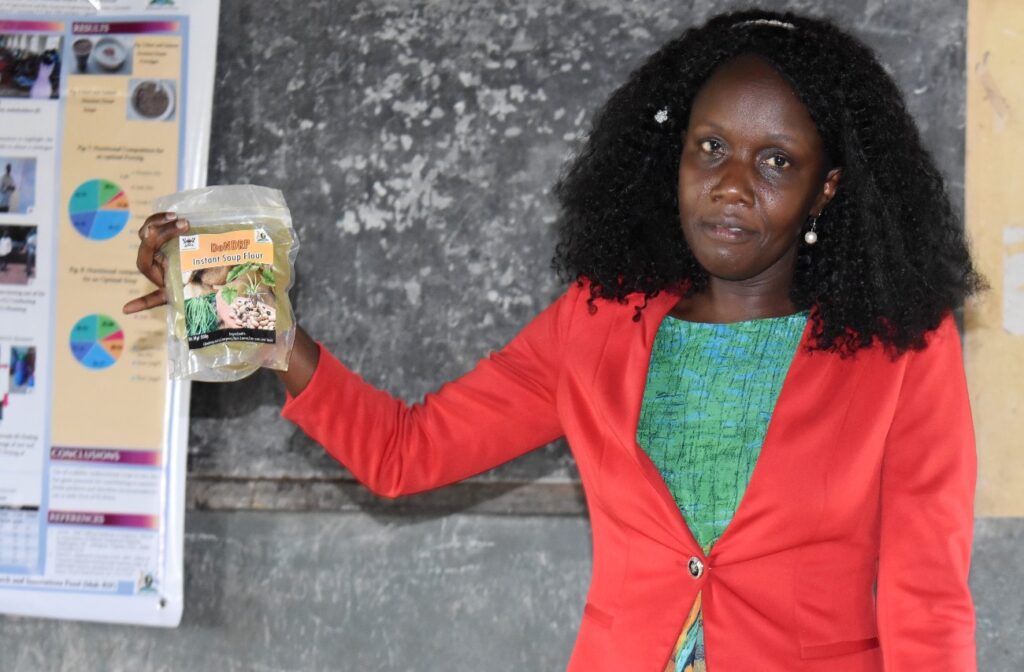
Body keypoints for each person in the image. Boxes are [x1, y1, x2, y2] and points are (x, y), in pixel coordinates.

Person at [125, 9, 983, 671]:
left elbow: (928, 605)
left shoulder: (902, 349)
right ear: (672, 157)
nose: (729, 186)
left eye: (774, 162)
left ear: (828, 187)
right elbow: (403, 452)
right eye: (710, 147)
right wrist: (262, 326)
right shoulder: (599, 323)